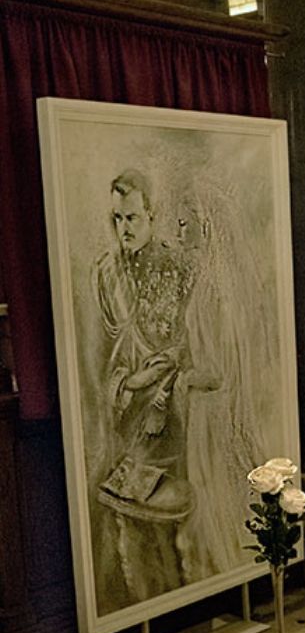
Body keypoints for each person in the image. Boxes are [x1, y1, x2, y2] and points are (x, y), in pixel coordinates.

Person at [93, 169, 201, 603]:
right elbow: (107, 352)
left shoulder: (175, 266)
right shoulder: (108, 273)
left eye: (133, 218)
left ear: (152, 215)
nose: (124, 229)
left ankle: (182, 599)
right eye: (118, 219)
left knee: (166, 521)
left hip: (168, 417)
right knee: (123, 521)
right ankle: (144, 605)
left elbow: (185, 344)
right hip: (126, 417)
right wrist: (127, 383)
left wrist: (158, 394)